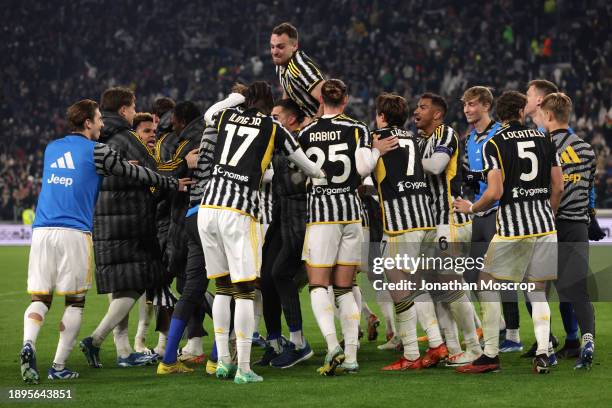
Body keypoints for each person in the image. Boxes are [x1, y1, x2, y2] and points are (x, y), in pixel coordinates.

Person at [20, 99, 188, 384]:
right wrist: (173, 182)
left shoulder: (51, 148)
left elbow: (82, 173)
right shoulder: (97, 150)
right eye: (98, 119)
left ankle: (29, 344)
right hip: (74, 232)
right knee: (75, 302)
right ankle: (59, 366)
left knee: (40, 298)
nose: (101, 124)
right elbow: (132, 172)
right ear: (87, 123)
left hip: (41, 231)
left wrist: (117, 165)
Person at [199, 81, 325, 384]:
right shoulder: (274, 128)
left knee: (223, 288)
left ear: (244, 100)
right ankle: (243, 368)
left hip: (208, 208)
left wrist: (232, 97)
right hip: (238, 212)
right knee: (244, 290)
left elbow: (208, 115)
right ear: (270, 105)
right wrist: (321, 175)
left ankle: (223, 363)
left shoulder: (228, 117)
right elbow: (306, 165)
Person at [454, 90, 564, 374]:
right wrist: (548, 212)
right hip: (544, 225)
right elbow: (559, 186)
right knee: (536, 290)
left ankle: (490, 353)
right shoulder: (545, 138)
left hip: (514, 227)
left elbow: (495, 192)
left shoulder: (495, 142)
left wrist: (472, 208)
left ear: (500, 114)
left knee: (486, 282)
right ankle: (544, 351)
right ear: (520, 113)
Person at [80, 87, 170, 368]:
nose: (134, 112)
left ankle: (123, 352)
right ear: (123, 110)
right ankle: (94, 340)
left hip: (101, 218)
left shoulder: (93, 138)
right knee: (134, 285)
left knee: (119, 288)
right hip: (130, 220)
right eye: (133, 108)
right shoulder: (126, 138)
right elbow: (153, 172)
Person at [157, 91, 246, 375]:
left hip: (194, 216)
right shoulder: (238, 137)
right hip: (220, 213)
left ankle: (168, 360)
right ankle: (216, 361)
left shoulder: (206, 133)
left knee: (192, 288)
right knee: (227, 288)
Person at [358, 93, 445, 370]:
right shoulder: (413, 139)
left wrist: (373, 151)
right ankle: (436, 343)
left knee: (400, 288)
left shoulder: (377, 138)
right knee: (417, 285)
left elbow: (363, 169)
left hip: (400, 224)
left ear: (382, 116)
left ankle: (410, 353)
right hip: (425, 219)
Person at [298, 79, 367, 375]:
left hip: (321, 215)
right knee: (345, 288)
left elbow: (299, 172)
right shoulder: (358, 129)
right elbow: (364, 171)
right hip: (352, 213)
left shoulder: (306, 132)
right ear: (346, 99)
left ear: (321, 100)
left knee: (317, 285)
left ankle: (332, 345)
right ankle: (351, 356)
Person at [414, 92, 482, 366]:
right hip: (429, 224)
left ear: (438, 114)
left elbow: (437, 165)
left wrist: (405, 165)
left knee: (451, 286)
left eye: (423, 107)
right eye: (417, 107)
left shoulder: (446, 134)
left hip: (448, 223)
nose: (416, 111)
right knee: (435, 290)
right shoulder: (419, 142)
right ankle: (454, 348)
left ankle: (475, 346)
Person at [256, 98, 314, 368]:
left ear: (291, 120)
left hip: (300, 218)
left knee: (280, 273)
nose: (272, 121)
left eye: (276, 116)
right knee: (266, 279)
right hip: (281, 216)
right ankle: (274, 343)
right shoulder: (278, 144)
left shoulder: (302, 142)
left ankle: (300, 343)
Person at [540, 92, 596, 369]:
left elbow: (548, 188)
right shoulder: (587, 148)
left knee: (539, 288)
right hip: (578, 226)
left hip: (551, 224)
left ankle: (546, 343)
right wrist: (591, 219)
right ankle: (587, 338)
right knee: (578, 290)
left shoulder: (543, 146)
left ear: (549, 115)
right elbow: (588, 190)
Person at [461, 87, 519, 351]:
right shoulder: (470, 139)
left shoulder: (500, 134)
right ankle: (499, 325)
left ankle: (514, 335)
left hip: (498, 211)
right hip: (478, 211)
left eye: (472, 105)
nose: (467, 110)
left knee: (501, 275)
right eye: (464, 106)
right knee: (473, 273)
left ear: (486, 105)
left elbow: (507, 174)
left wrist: (481, 178)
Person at [271, 22, 325, 119]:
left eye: (280, 47)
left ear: (294, 46)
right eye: (272, 47)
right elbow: (288, 91)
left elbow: (328, 99)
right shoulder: (281, 64)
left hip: (323, 126)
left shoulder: (300, 68)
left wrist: (313, 126)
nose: (275, 52)